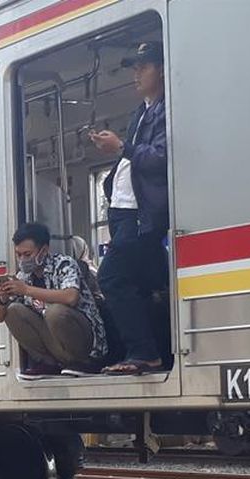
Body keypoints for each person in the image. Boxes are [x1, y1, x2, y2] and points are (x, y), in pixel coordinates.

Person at [91, 41, 170, 375]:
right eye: (134, 67)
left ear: (163, 69)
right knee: (146, 285)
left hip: (142, 215)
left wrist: (121, 146)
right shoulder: (143, 110)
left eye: (143, 66)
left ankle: (143, 353)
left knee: (111, 277)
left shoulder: (168, 109)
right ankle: (153, 352)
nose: (136, 74)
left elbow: (161, 158)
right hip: (125, 213)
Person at [0, 222, 107, 376]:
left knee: (55, 312)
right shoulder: (23, 276)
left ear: (44, 250)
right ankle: (48, 363)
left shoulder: (64, 264)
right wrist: (3, 299)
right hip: (57, 344)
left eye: (27, 254)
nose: (22, 260)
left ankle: (86, 363)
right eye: (18, 255)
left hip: (85, 342)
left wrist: (27, 290)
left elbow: (71, 297)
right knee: (13, 311)